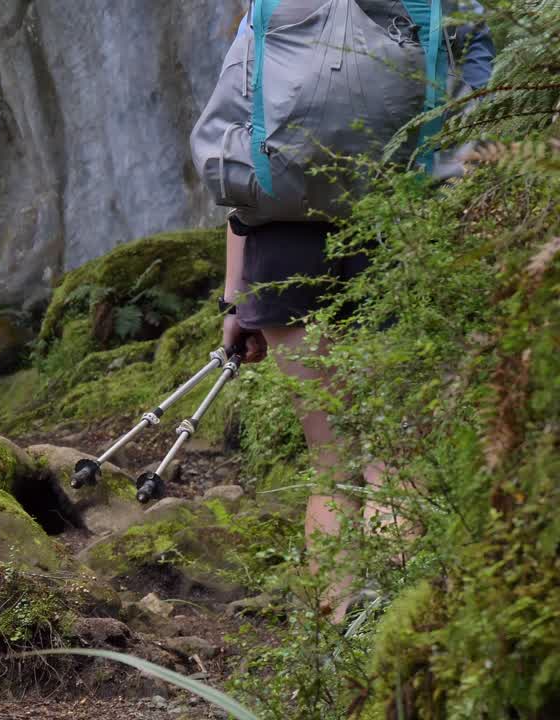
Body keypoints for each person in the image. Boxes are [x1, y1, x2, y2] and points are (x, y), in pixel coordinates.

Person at [218, 1, 495, 624]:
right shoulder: (453, 8)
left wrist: (236, 296)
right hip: (403, 237)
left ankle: (332, 639)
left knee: (331, 463)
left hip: (282, 247)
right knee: (397, 462)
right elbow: (486, 136)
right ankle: (385, 650)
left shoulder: (271, 8)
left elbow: (242, 146)